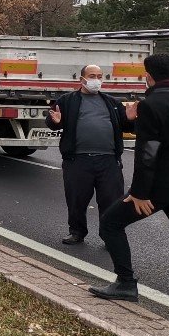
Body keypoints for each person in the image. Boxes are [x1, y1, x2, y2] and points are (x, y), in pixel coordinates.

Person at [88, 53, 169, 331]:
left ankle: (125, 283)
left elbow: (147, 154)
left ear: (148, 76)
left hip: (157, 190)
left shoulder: (151, 105)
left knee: (111, 223)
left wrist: (139, 193)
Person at [46, 64, 137, 245]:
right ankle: (77, 232)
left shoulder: (111, 102)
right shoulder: (67, 100)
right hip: (78, 160)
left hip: (109, 161)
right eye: (92, 76)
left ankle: (108, 235)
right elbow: (53, 120)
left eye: (99, 76)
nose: (96, 80)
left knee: (111, 201)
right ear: (82, 79)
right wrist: (54, 122)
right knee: (76, 200)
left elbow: (126, 127)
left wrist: (130, 119)